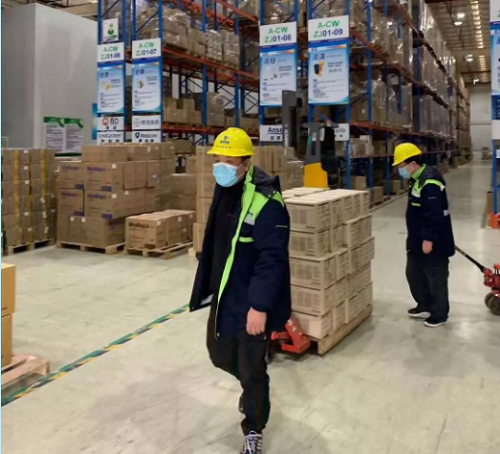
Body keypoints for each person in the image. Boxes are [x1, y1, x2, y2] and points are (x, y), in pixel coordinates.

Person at [189, 127, 291, 454]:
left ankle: (254, 427)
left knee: (252, 368)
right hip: (226, 296)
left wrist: (259, 306)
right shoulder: (225, 189)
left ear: (246, 163)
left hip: (251, 300)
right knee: (218, 353)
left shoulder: (267, 202)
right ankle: (250, 392)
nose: (221, 166)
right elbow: (222, 239)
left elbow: (272, 259)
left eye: (229, 161)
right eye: (218, 159)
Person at [393, 143, 455, 328]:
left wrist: (429, 239)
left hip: (433, 240)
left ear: (412, 163)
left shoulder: (430, 182)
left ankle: (439, 313)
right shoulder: (416, 179)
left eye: (401, 165)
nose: (400, 169)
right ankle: (425, 304)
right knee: (414, 273)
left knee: (435, 277)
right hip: (417, 237)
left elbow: (434, 214)